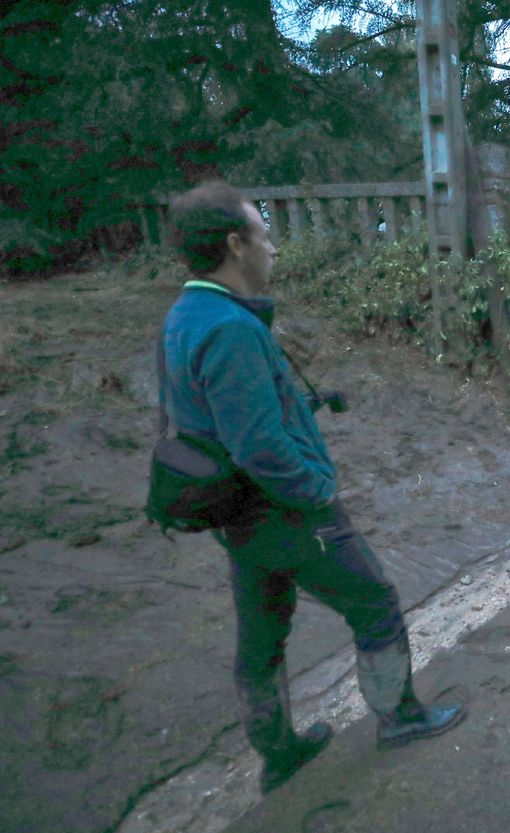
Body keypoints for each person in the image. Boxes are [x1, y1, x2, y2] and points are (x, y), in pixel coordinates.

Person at [161, 181, 465, 794]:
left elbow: (200, 422)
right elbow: (258, 446)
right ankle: (400, 717)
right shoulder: (230, 329)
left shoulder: (184, 316)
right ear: (235, 244)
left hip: (236, 517)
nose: (271, 248)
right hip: (287, 513)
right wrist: (317, 489)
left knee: (262, 632)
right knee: (374, 601)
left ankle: (279, 754)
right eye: (263, 234)